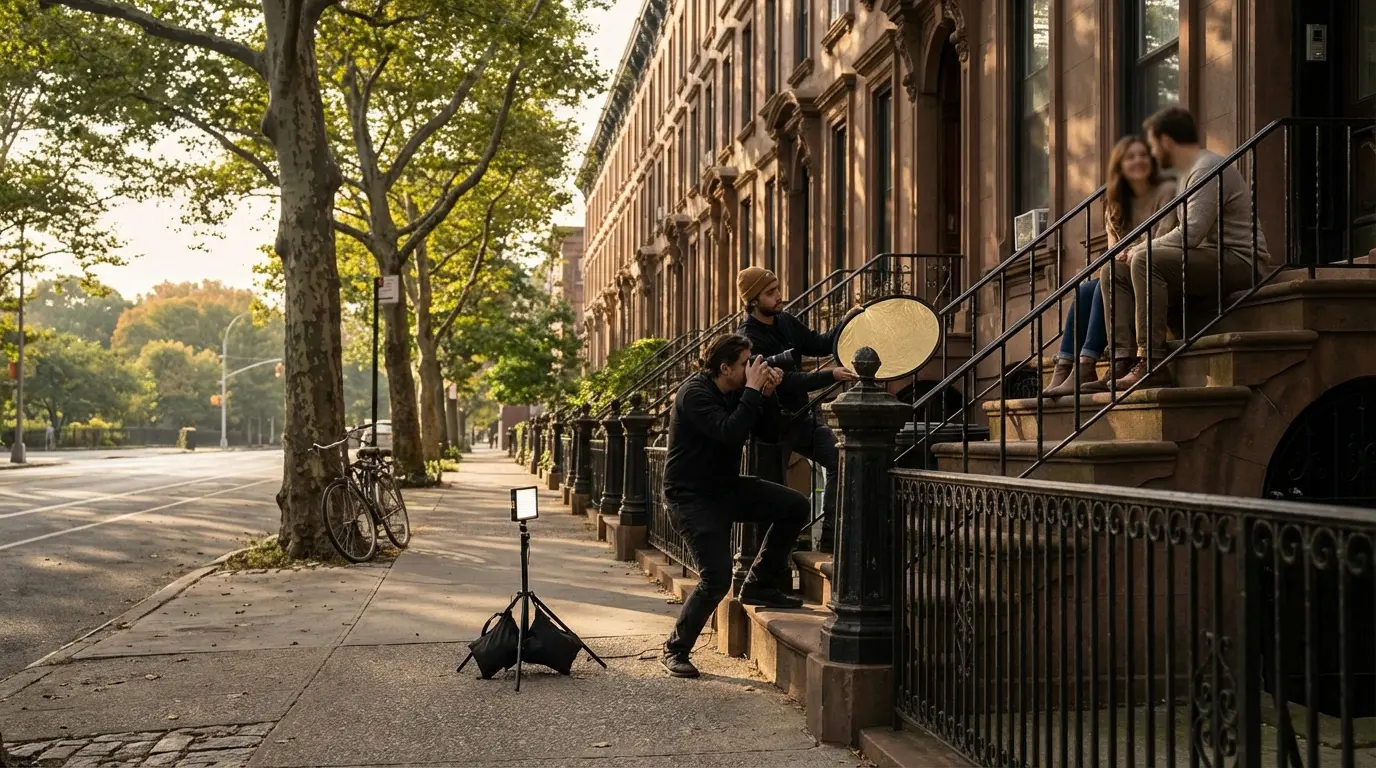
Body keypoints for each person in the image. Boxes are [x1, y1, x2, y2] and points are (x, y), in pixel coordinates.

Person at [661, 333, 810, 679]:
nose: (753, 367)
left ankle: (759, 583)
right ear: (725, 368)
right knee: (716, 578)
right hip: (691, 498)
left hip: (726, 489)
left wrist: (767, 395)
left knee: (795, 506)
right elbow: (729, 432)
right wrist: (754, 393)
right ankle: (676, 648)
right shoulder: (694, 394)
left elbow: (770, 434)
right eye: (746, 363)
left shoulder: (736, 392)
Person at [1104, 106, 1268, 390]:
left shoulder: (1206, 168)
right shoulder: (1187, 173)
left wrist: (1141, 249)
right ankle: (1122, 358)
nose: (1152, 153)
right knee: (1113, 270)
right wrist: (1133, 250)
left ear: (1166, 141)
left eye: (1153, 144)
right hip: (1209, 257)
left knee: (1144, 259)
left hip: (1241, 260)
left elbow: (1190, 234)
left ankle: (1153, 363)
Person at [1043, 135, 1179, 396]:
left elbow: (1166, 234)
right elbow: (1112, 249)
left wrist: (1132, 251)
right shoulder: (1115, 203)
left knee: (1103, 282)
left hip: (1153, 269)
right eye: (1130, 157)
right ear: (1120, 166)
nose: (1138, 161)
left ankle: (1089, 363)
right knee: (1085, 290)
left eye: (1143, 155)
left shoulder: (1167, 192)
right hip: (1124, 272)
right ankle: (1067, 365)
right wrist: (1119, 255)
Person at [734, 267, 858, 552]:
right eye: (770, 292)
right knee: (774, 493)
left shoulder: (786, 322)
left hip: (802, 418)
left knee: (838, 458)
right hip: (771, 425)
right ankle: (767, 561)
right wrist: (831, 374)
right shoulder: (748, 338)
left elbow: (821, 342)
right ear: (753, 300)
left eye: (777, 288)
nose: (779, 296)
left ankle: (829, 537)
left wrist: (847, 321)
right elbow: (784, 383)